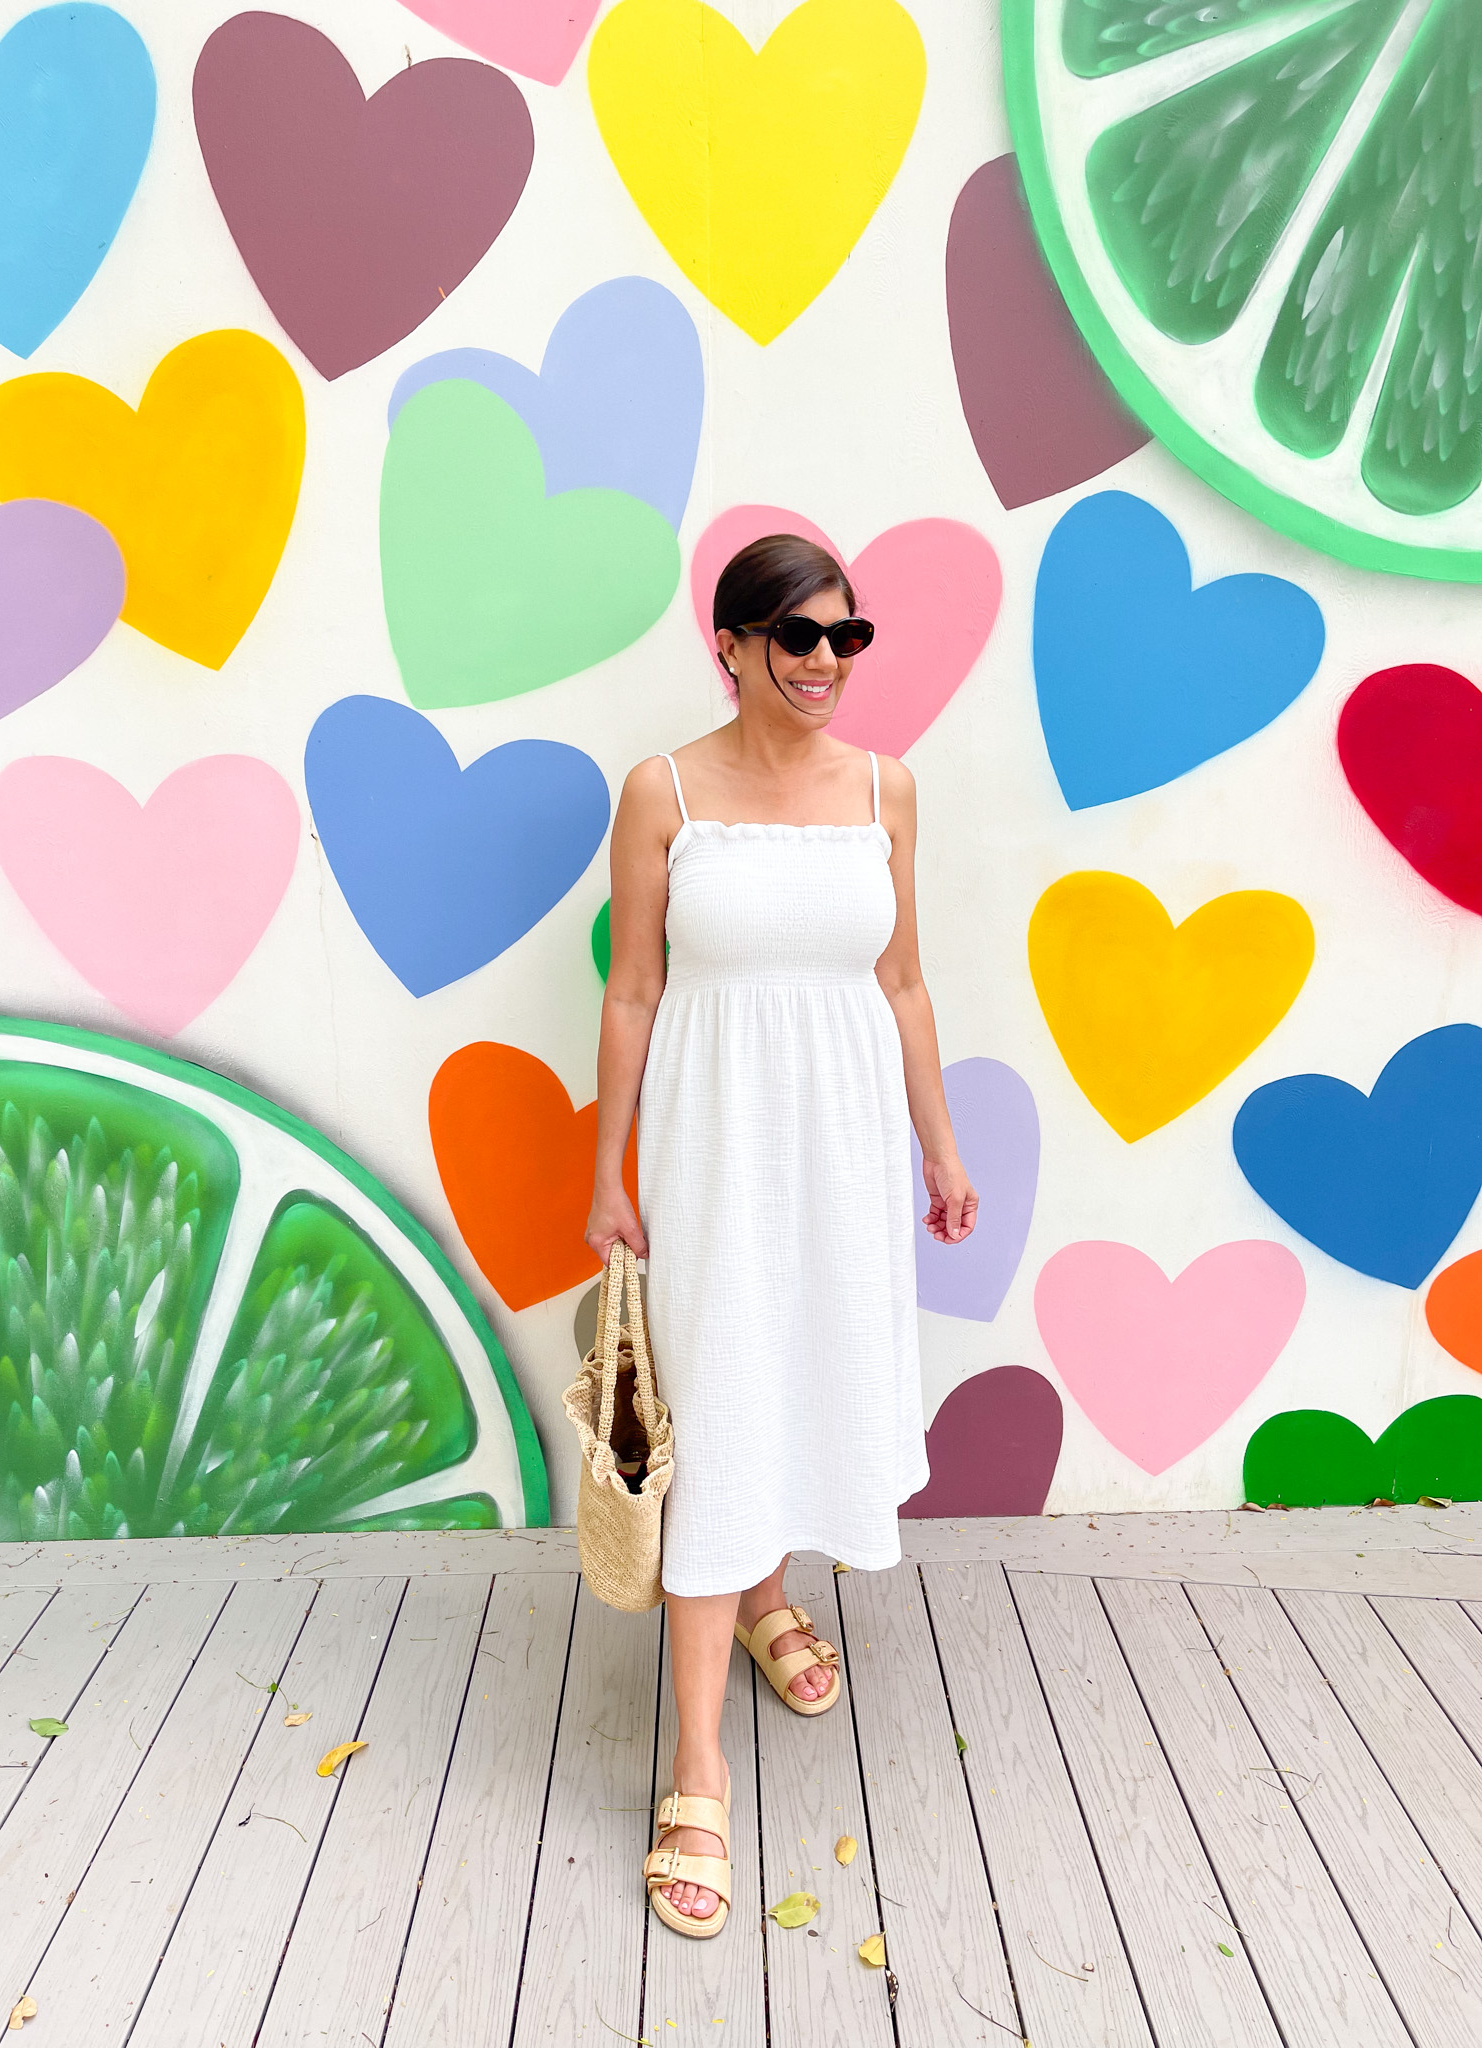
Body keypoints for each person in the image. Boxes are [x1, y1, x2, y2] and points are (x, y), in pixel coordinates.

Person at [585, 533, 977, 1939]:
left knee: (805, 1366)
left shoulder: (889, 790)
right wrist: (607, 1172)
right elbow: (632, 992)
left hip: (848, 1139)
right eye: (797, 639)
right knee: (727, 1396)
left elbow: (907, 981)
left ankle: (770, 1594)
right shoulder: (664, 792)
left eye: (845, 639)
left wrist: (938, 1146)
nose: (825, 664)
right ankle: (697, 1766)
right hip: (714, 1144)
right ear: (733, 647)